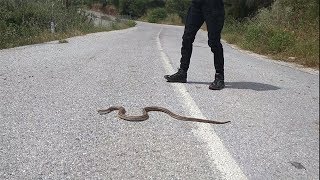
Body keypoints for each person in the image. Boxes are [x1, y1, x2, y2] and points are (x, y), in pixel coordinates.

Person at [164, 0, 226, 90]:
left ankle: (219, 77)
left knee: (214, 42)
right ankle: (182, 73)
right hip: (196, 4)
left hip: (214, 5)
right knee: (187, 38)